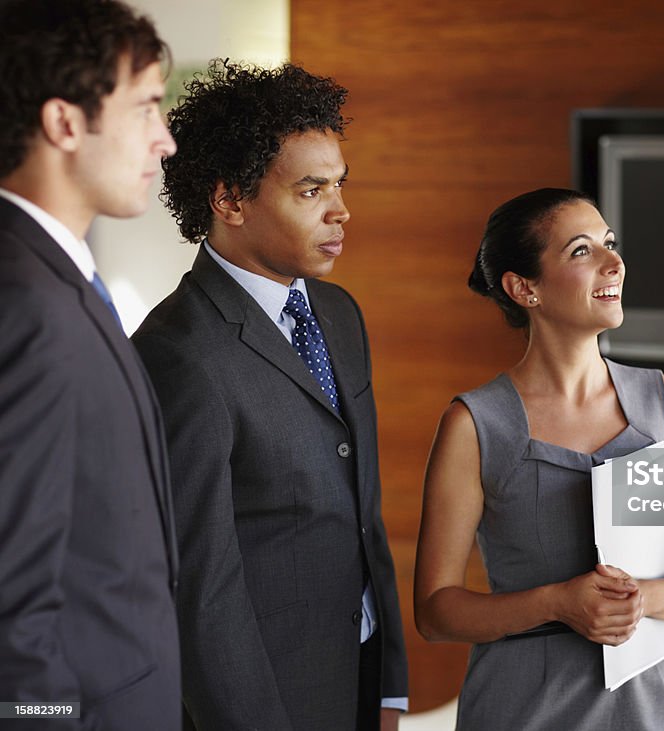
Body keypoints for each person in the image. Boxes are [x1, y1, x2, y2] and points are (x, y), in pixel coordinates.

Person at [131, 61, 408, 730]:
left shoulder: (339, 313)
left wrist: (390, 686)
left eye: (340, 185)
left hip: (359, 679)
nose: (341, 210)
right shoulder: (178, 353)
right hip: (265, 703)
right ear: (229, 200)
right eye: (312, 190)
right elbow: (199, 587)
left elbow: (365, 518)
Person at [415, 188, 664, 730]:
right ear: (524, 288)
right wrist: (558, 602)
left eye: (610, 243)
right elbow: (436, 612)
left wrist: (638, 598)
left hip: (650, 713)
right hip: (520, 712)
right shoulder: (473, 424)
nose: (615, 262)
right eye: (582, 250)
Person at [0, 0, 180, 728]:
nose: (164, 141)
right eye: (146, 108)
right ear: (65, 122)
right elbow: (10, 600)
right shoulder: (26, 304)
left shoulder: (55, 279)